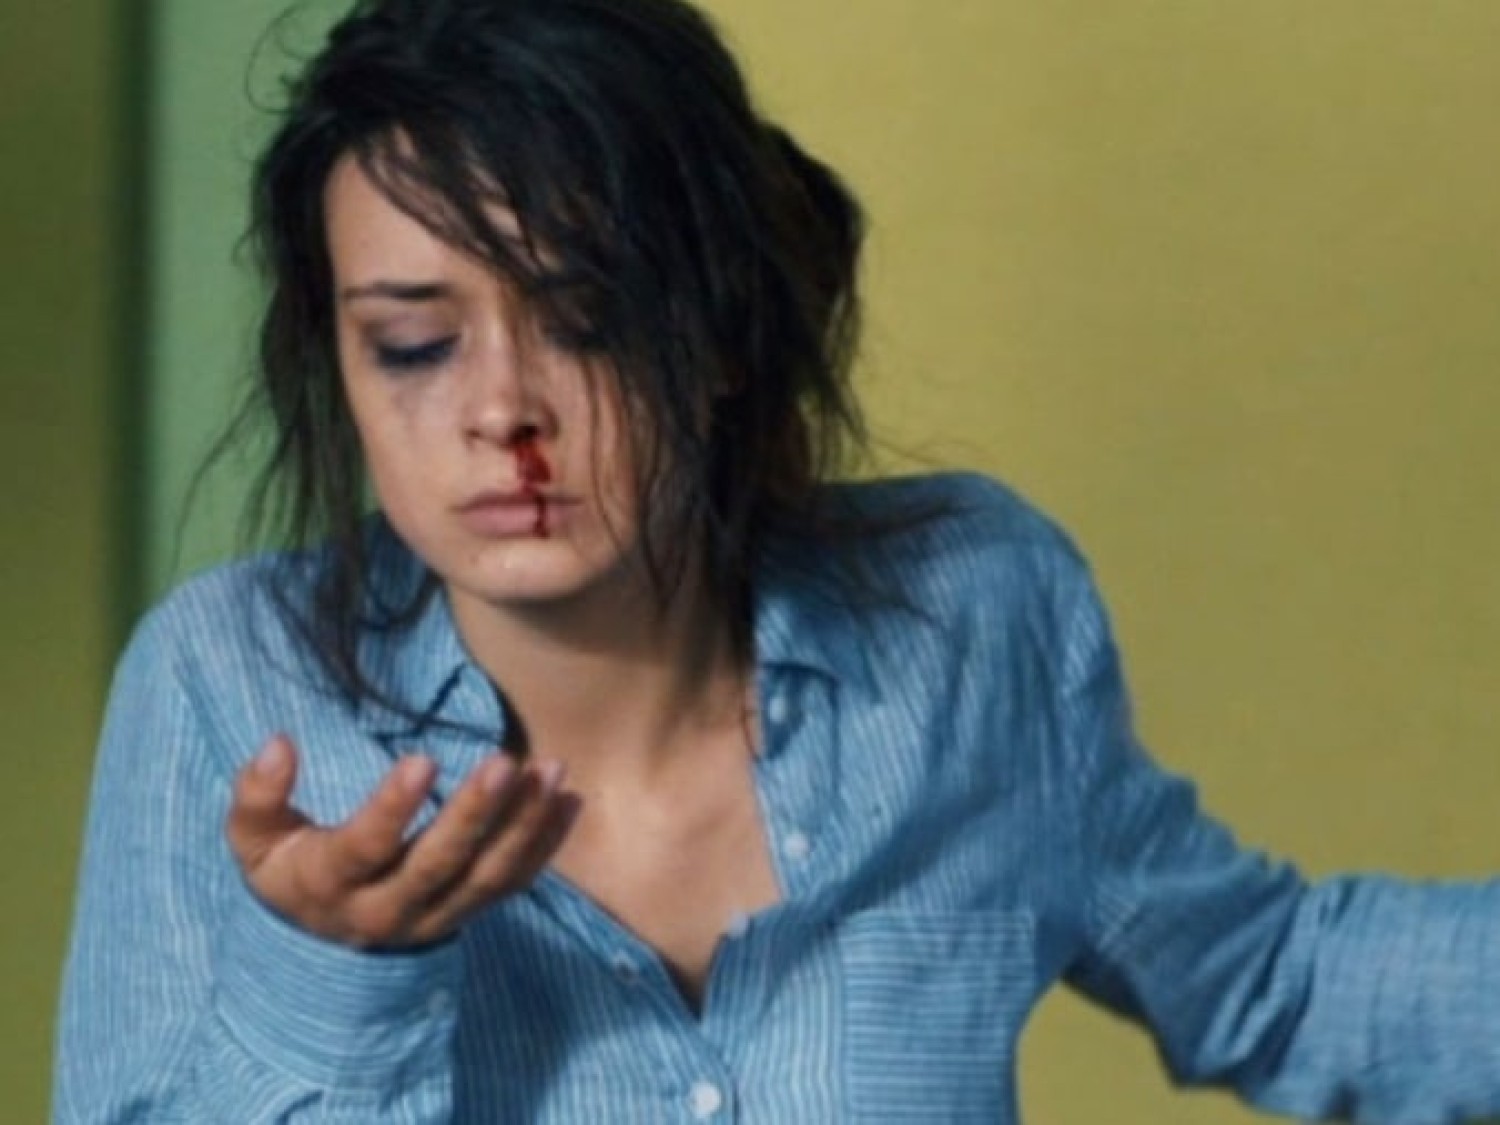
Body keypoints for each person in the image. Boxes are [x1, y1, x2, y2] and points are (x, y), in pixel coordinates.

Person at [53, 0, 1500, 1121]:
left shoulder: (971, 617)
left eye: (589, 320)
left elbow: (1274, 980)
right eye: (415, 344)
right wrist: (329, 980)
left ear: (726, 329)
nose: (501, 410)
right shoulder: (228, 687)